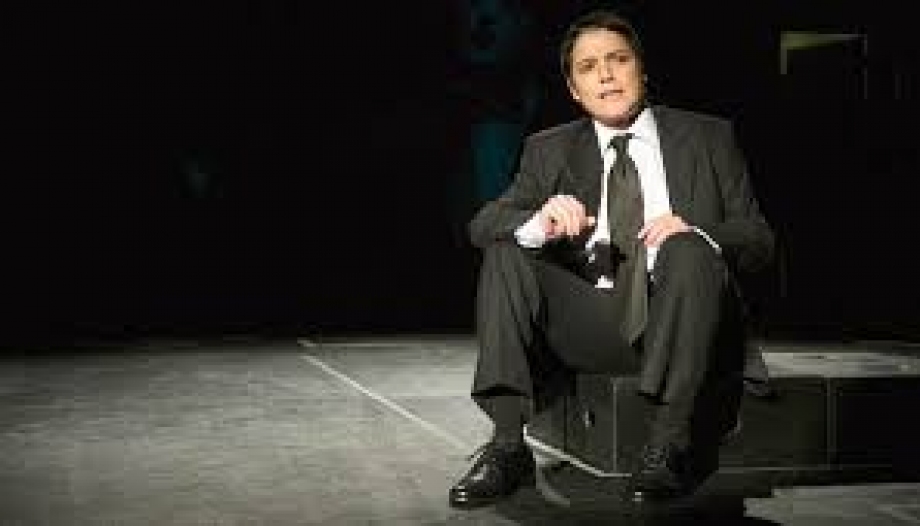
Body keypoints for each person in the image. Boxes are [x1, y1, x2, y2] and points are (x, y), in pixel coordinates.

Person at [448, 8, 776, 509]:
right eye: (588, 67)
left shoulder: (708, 137)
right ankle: (508, 446)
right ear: (574, 90)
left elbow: (758, 240)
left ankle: (668, 444)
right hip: (594, 321)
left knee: (686, 249)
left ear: (641, 70)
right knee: (508, 252)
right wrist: (539, 221)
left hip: (684, 318)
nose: (605, 74)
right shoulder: (548, 149)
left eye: (618, 59)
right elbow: (483, 223)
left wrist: (696, 231)